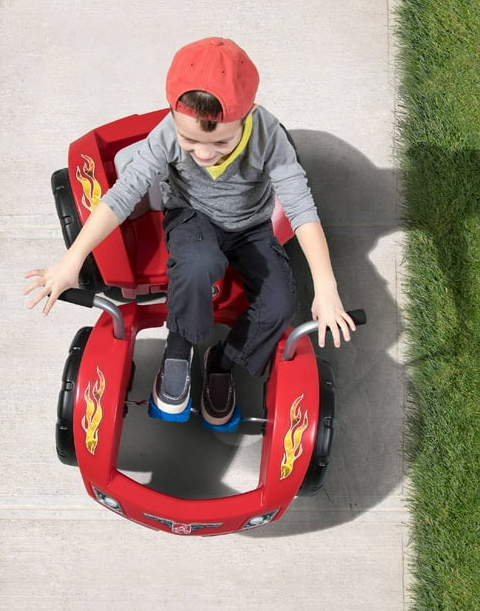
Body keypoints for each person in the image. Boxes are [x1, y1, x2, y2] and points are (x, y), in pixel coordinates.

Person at [24, 37, 355, 427]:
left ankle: (222, 361)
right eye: (191, 141)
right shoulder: (167, 132)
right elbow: (121, 196)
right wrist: (72, 260)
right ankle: (178, 349)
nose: (203, 153)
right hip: (190, 215)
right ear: (174, 117)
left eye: (221, 142)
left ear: (247, 115)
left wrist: (327, 288)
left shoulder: (269, 136)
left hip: (251, 226)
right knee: (198, 263)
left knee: (281, 304)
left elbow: (301, 209)